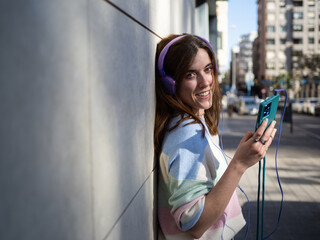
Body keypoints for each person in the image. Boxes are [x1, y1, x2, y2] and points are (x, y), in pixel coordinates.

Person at [154, 34, 277, 240]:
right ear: (170, 83)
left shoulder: (191, 123)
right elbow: (192, 223)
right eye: (190, 75)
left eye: (208, 69)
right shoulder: (187, 133)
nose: (206, 82)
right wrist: (239, 164)